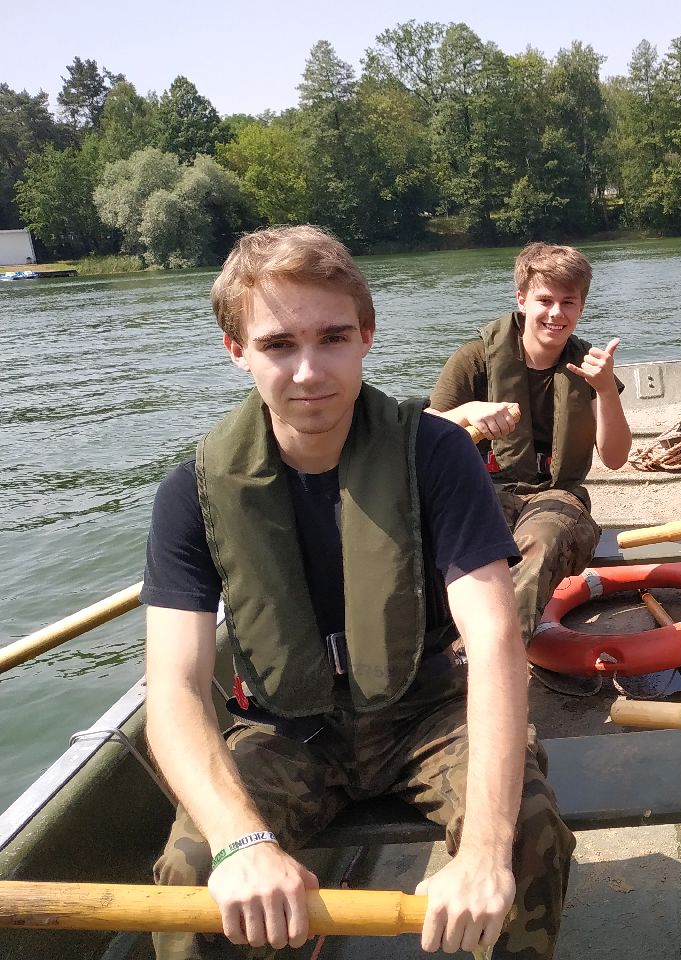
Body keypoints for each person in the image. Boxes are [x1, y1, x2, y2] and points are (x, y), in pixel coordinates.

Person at [141, 225, 574, 959]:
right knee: (193, 877)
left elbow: (496, 640)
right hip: (287, 731)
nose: (309, 371)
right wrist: (242, 843)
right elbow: (176, 689)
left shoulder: (436, 456)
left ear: (366, 336)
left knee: (528, 834)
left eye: (333, 338)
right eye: (279, 345)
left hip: (428, 715)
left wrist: (484, 849)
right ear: (237, 350)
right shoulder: (193, 494)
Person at [429, 242, 630, 652]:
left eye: (568, 302)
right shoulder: (475, 359)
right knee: (450, 540)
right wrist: (468, 411)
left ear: (581, 306)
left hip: (558, 498)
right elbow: (426, 432)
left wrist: (606, 389)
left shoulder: (590, 367)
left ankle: (487, 656)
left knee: (540, 540)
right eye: (545, 300)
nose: (556, 313)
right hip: (485, 491)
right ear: (522, 299)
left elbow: (615, 457)